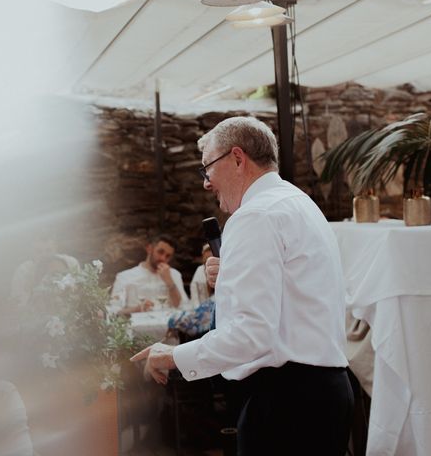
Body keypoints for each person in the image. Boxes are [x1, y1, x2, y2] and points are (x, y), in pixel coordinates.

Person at [132, 117, 353, 455]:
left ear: (237, 158)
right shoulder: (299, 203)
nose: (206, 183)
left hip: (286, 408)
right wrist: (233, 278)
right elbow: (294, 295)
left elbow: (252, 333)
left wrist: (173, 355)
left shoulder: (255, 216)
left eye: (207, 168)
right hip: (324, 395)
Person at [110, 234, 189, 315]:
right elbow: (114, 311)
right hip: (137, 325)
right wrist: (137, 309)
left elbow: (182, 307)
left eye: (168, 256)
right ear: (149, 249)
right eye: (160, 252)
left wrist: (170, 282)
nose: (163, 258)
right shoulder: (125, 276)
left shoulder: (174, 274)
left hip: (165, 325)